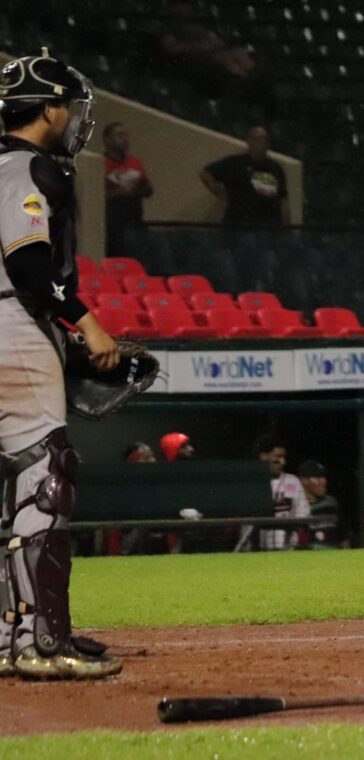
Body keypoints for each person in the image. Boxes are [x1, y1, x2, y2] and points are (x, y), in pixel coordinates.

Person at [0, 50, 123, 679]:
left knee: (9, 489)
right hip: (11, 324)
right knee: (46, 477)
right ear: (47, 108)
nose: (73, 117)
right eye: (67, 106)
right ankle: (44, 641)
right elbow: (28, 267)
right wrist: (85, 321)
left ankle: (9, 633)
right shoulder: (29, 167)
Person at [199, 126, 289, 225]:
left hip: (269, 226)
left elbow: (283, 199)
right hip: (240, 224)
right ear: (249, 142)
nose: (263, 143)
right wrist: (221, 194)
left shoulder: (275, 168)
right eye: (258, 139)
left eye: (265, 139)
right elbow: (206, 174)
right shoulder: (235, 163)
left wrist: (286, 227)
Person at [102, 122, 153, 258]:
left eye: (126, 135)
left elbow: (148, 190)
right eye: (119, 135)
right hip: (113, 225)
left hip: (135, 222)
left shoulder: (134, 162)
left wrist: (139, 188)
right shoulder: (101, 164)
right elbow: (96, 196)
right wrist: (120, 192)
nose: (125, 139)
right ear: (107, 140)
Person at [297, 459, 342, 548]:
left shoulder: (331, 503)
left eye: (323, 477)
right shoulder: (297, 507)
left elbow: (343, 537)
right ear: (304, 480)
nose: (323, 481)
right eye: (318, 478)